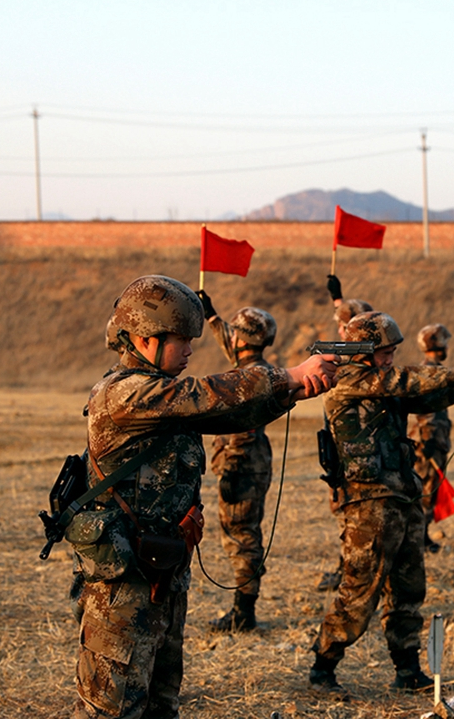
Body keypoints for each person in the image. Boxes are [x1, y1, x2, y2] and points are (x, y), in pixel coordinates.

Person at [71, 275, 336, 719]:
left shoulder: (160, 394)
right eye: (181, 340)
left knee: (161, 705)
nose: (190, 350)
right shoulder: (123, 392)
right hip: (122, 588)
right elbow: (205, 396)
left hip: (161, 572)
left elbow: (223, 414)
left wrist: (289, 393)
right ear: (145, 338)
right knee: (111, 710)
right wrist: (288, 374)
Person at [309, 311, 454, 697]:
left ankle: (407, 670)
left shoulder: (381, 382)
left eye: (392, 352)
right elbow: (404, 380)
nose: (390, 359)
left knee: (408, 589)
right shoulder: (350, 379)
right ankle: (323, 667)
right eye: (384, 352)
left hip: (401, 496)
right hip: (367, 503)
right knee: (361, 591)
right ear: (362, 353)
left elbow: (425, 394)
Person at [194, 292, 279, 633]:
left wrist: (230, 465)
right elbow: (231, 346)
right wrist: (212, 317)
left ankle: (243, 613)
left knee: (242, 537)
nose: (230, 338)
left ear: (241, 340)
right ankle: (244, 608)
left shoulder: (250, 378)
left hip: (242, 465)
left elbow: (245, 427)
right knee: (245, 532)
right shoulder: (256, 368)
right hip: (252, 461)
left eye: (234, 333)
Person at [318, 275, 374, 593]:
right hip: (340, 448)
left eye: (344, 326)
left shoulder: (359, 361)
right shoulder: (354, 351)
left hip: (355, 454)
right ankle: (347, 564)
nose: (341, 332)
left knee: (352, 516)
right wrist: (338, 300)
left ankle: (351, 570)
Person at [407, 324, 454, 552]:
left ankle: (423, 536)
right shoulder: (428, 372)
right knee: (424, 492)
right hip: (427, 443)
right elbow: (425, 411)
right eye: (445, 343)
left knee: (431, 491)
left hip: (436, 441)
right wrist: (428, 440)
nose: (447, 348)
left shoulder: (437, 370)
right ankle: (418, 538)